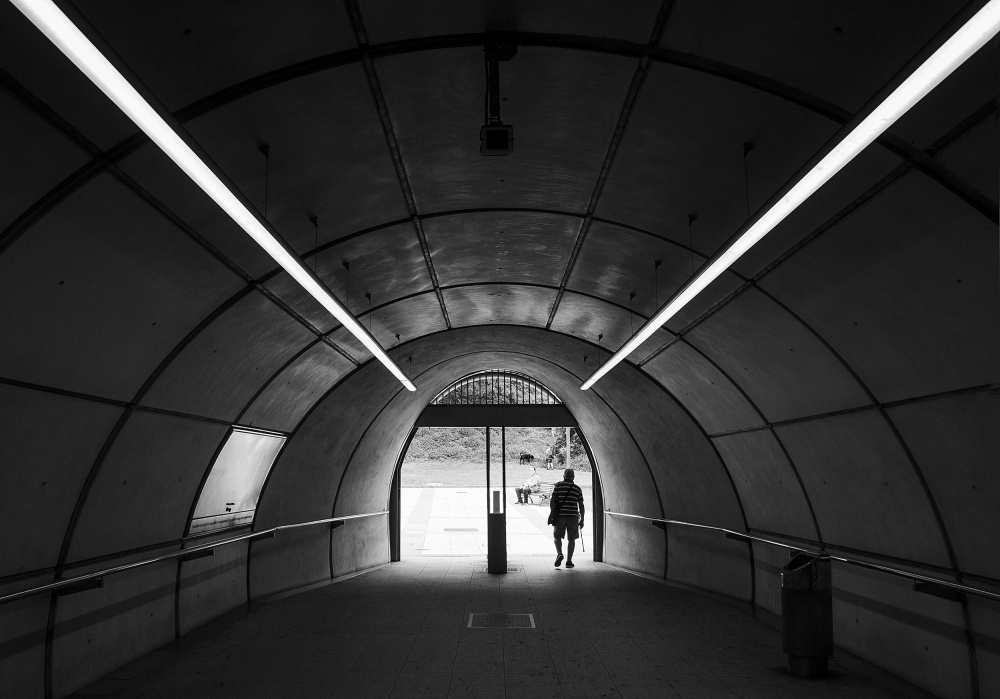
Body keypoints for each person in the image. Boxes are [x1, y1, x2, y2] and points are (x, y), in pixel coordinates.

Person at [549, 468, 584, 568]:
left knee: (557, 536)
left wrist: (552, 513)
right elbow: (581, 505)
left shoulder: (558, 485)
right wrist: (582, 519)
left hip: (560, 516)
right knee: (571, 539)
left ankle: (559, 553)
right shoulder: (577, 489)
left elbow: (552, 500)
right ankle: (569, 562)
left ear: (564, 476)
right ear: (573, 477)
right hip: (573, 516)